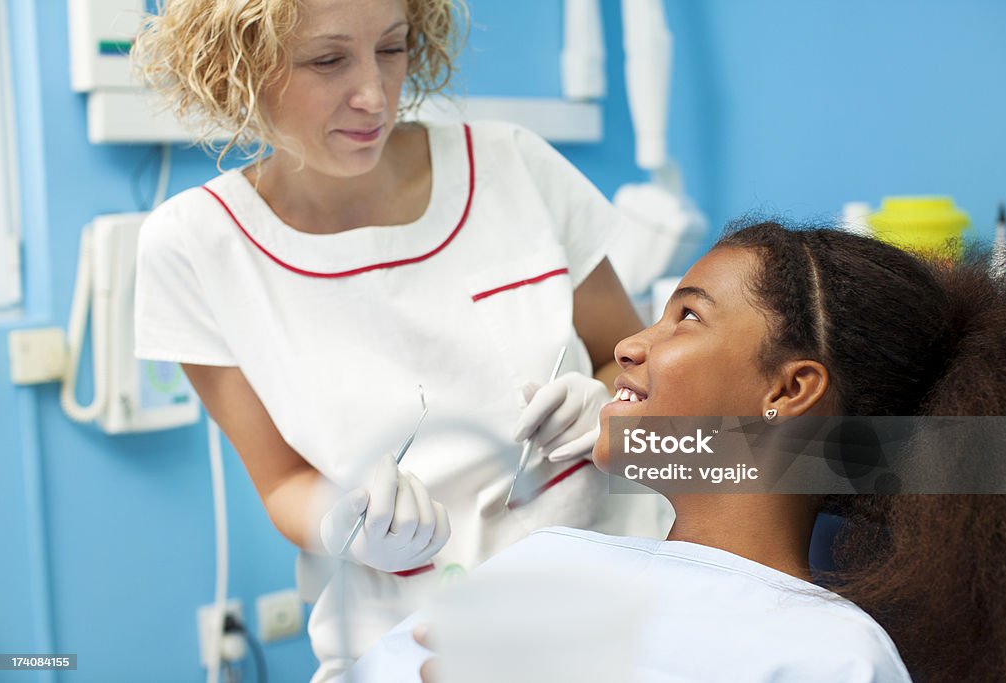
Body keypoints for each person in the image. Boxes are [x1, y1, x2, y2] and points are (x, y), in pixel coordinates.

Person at [130, 0, 672, 678]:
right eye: (328, 60)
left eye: (393, 47)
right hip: (410, 633)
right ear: (235, 67)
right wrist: (345, 525)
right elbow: (282, 482)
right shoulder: (193, 249)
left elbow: (639, 366)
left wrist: (610, 408)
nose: (374, 93)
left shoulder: (512, 166)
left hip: (612, 595)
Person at [344, 220, 1006, 683]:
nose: (628, 346)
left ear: (789, 388)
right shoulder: (540, 564)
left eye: (687, 316)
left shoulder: (830, 654)